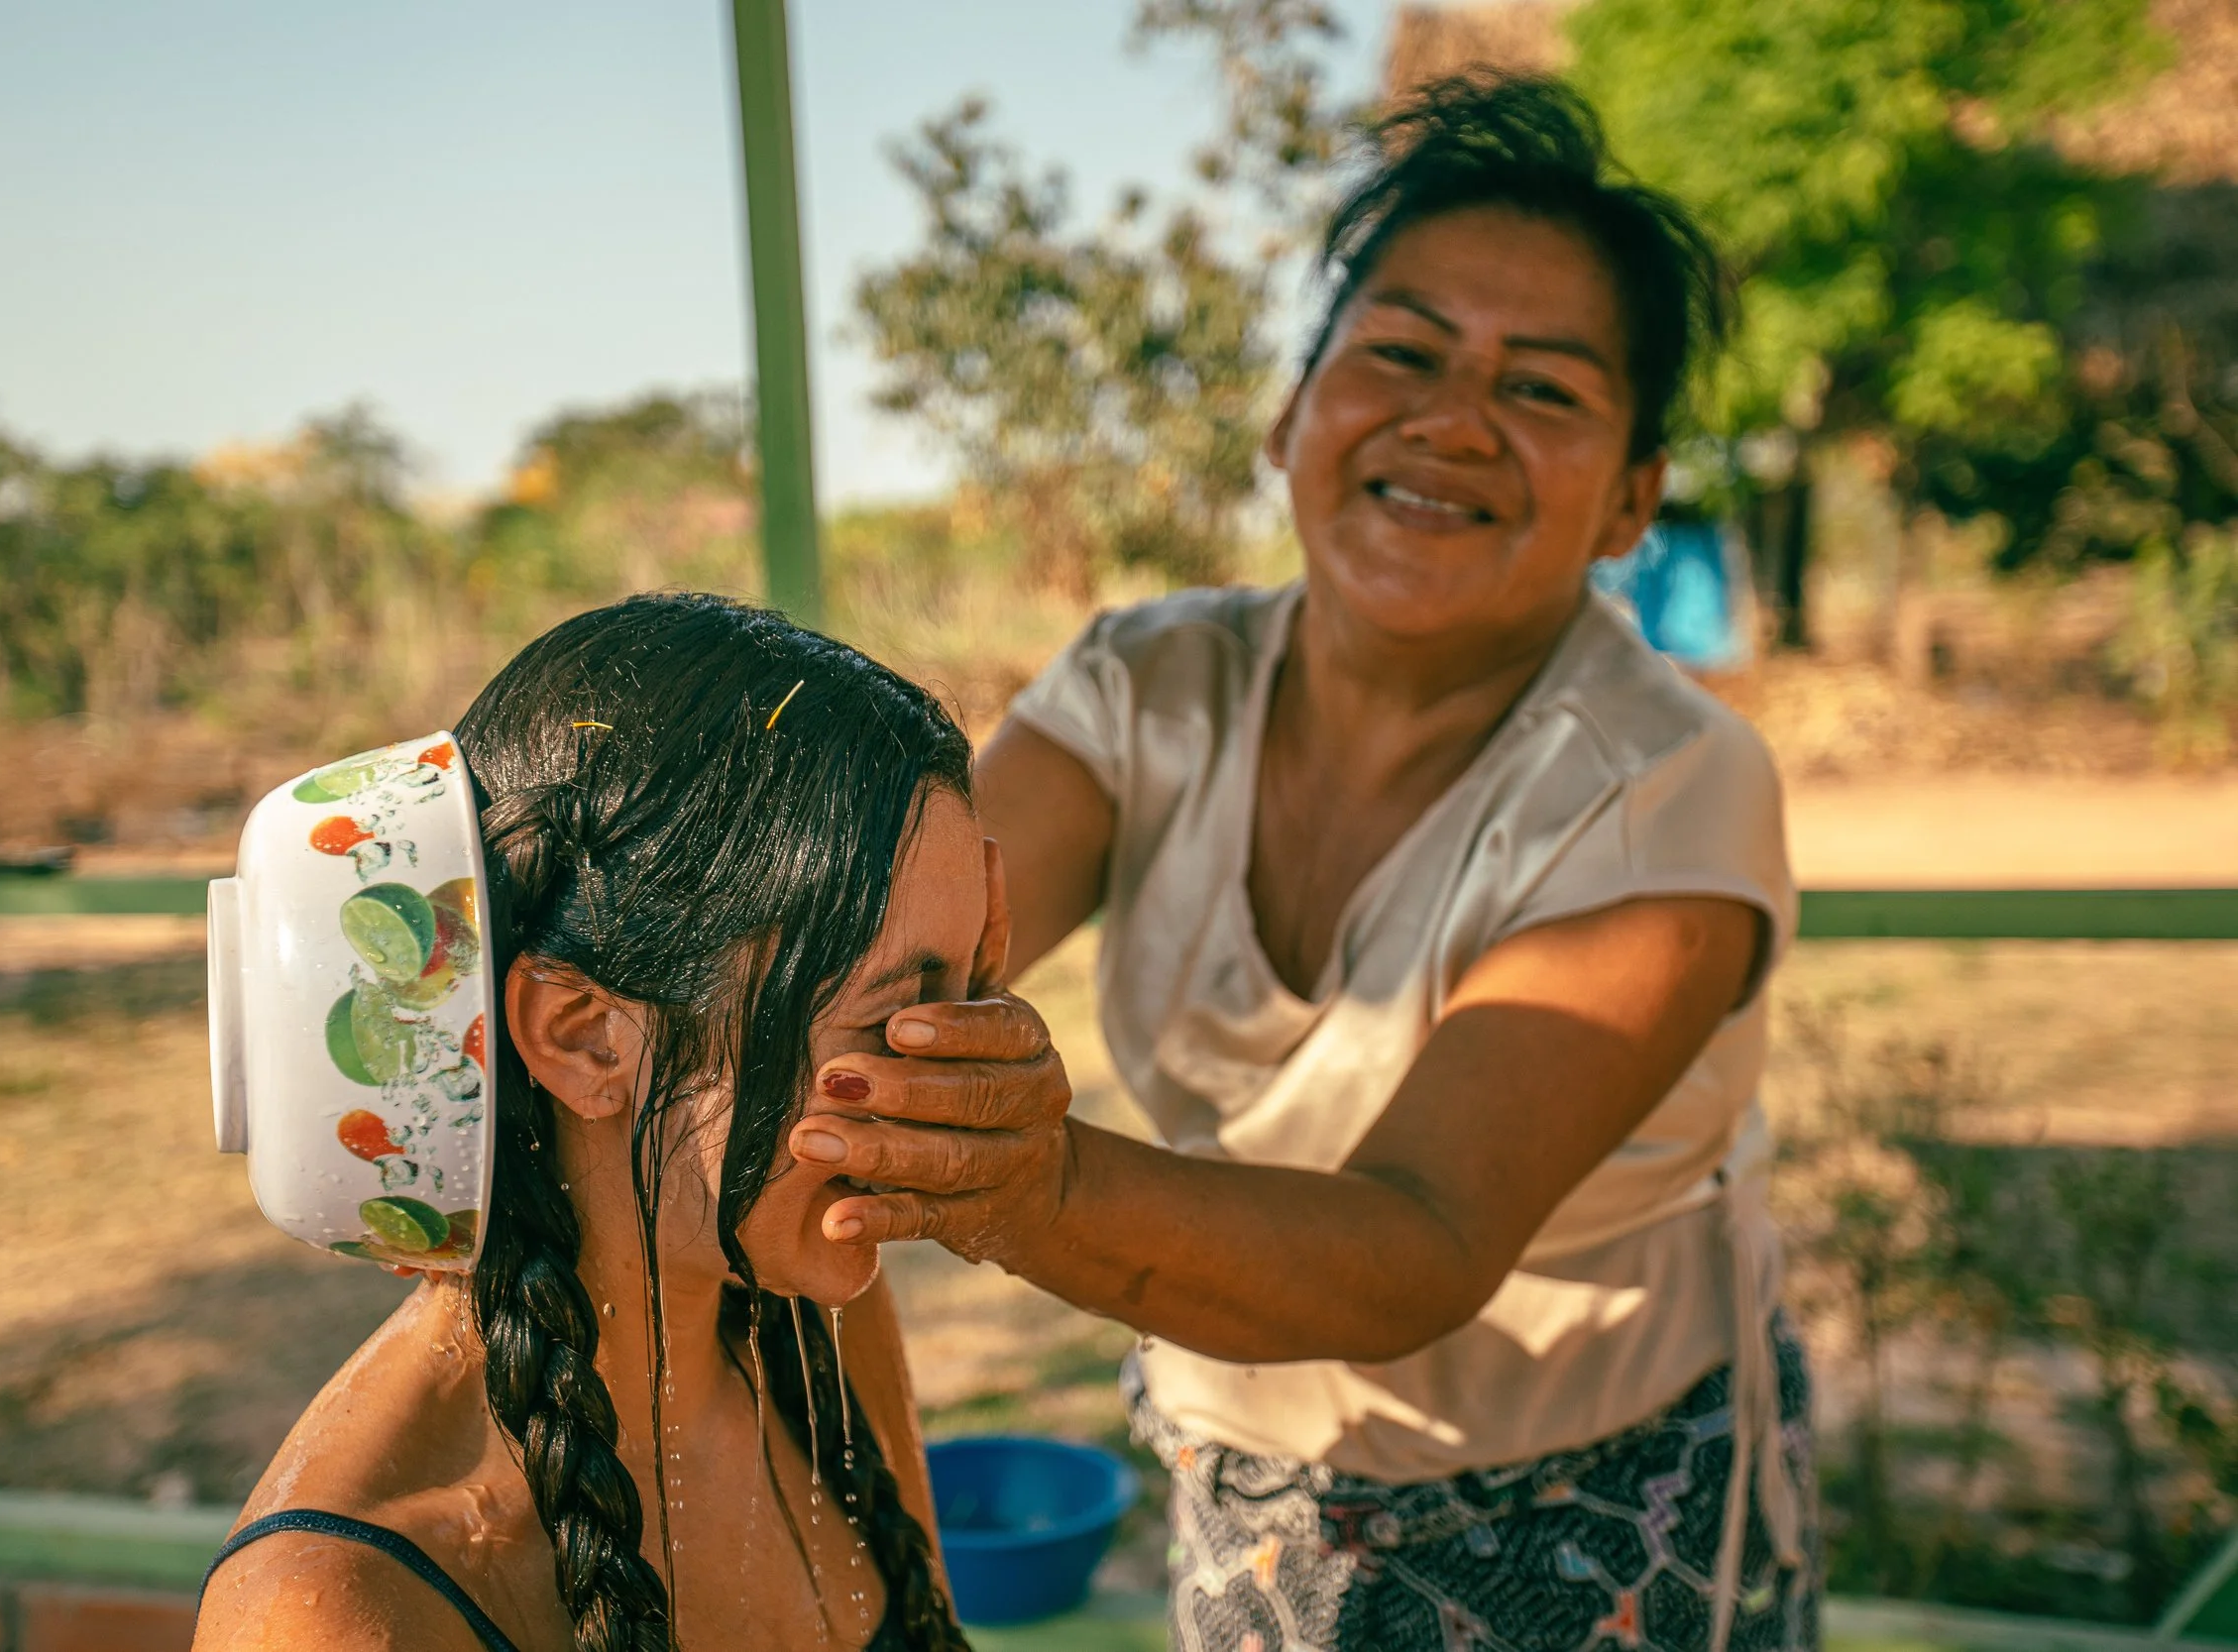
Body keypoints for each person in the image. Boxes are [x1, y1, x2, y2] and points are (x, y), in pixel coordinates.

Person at [785, 75, 1819, 1651]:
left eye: (1543, 390)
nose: (1453, 418)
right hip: (1245, 1461)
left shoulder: (1671, 781)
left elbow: (1415, 1241)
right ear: (1291, 415)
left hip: (1598, 1489)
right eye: (1399, 352)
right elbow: (875, 950)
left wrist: (1031, 1183)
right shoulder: (1146, 689)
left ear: (1632, 499)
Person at [195, 595, 984, 1652]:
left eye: (974, 985)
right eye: (895, 1008)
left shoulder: (818, 1326)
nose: (964, 1069)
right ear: (584, 1036)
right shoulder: (329, 1615)